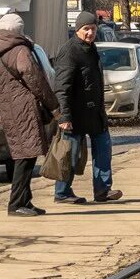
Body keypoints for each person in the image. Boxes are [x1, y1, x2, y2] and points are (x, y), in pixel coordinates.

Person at [0, 13, 63, 217]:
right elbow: (35, 79)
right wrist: (53, 105)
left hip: (9, 109)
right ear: (18, 30)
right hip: (25, 108)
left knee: (24, 154)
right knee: (26, 157)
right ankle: (16, 203)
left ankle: (26, 201)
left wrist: (3, 104)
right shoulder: (20, 50)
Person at [52, 11, 123, 206]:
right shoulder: (69, 51)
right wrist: (64, 116)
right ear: (78, 30)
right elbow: (62, 87)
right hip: (75, 115)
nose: (90, 33)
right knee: (69, 155)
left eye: (93, 29)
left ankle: (103, 190)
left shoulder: (91, 49)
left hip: (95, 114)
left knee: (103, 149)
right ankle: (62, 191)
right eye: (86, 29)